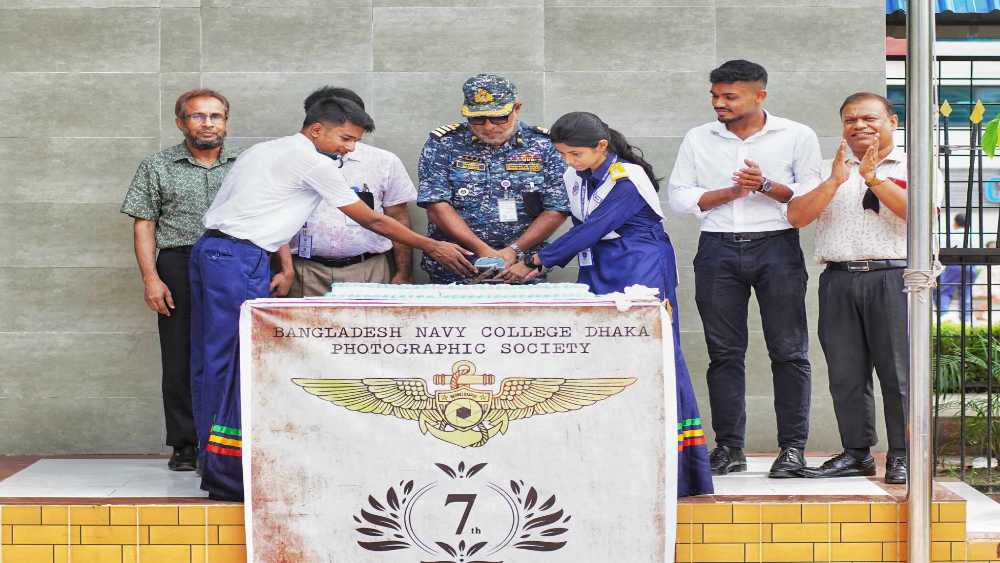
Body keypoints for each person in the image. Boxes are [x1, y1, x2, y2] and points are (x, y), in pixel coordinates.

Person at [191, 97, 474, 500]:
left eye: (355, 141)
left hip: (215, 251)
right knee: (236, 359)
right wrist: (433, 246)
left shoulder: (264, 150)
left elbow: (262, 211)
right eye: (345, 138)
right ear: (316, 129)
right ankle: (228, 468)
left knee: (212, 358)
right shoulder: (312, 162)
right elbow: (373, 219)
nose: (349, 148)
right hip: (238, 259)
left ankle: (212, 457)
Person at [507, 112, 713, 497]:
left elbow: (593, 228)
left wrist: (537, 261)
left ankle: (680, 465)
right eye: (563, 154)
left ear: (601, 147)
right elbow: (581, 229)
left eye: (575, 154)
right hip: (598, 267)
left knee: (658, 356)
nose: (569, 161)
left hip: (640, 268)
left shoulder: (628, 178)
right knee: (604, 356)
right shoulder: (575, 177)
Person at [667, 60, 822, 479]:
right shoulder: (698, 138)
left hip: (777, 248)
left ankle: (792, 449)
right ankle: (729, 448)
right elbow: (679, 197)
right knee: (724, 354)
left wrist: (766, 186)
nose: (719, 103)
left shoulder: (796, 135)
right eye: (715, 95)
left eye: (729, 96)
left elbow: (810, 195)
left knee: (789, 351)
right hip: (717, 249)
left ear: (760, 96)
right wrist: (732, 192)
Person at [787, 92, 936, 484]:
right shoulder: (826, 168)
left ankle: (904, 454)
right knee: (846, 374)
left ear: (892, 122)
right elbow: (797, 216)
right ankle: (856, 453)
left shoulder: (915, 164)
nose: (860, 126)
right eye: (850, 120)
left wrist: (874, 178)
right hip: (839, 279)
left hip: (894, 278)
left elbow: (920, 215)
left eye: (869, 118)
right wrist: (837, 180)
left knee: (898, 373)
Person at [121, 89, 239, 472]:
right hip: (178, 264)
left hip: (234, 263)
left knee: (233, 354)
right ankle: (186, 445)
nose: (208, 123)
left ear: (226, 121)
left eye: (215, 116)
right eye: (198, 116)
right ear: (180, 121)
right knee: (179, 357)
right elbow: (144, 224)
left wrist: (281, 265)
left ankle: (229, 443)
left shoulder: (245, 165)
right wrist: (151, 278)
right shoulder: (157, 166)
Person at [417, 74, 569, 283]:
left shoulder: (544, 145)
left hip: (521, 269)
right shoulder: (444, 144)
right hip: (458, 268)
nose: (488, 126)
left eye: (498, 117)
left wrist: (514, 250)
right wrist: (484, 251)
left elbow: (557, 208)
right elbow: (436, 204)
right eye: (477, 119)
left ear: (516, 108)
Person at [288, 86, 417, 294]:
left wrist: (404, 273)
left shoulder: (384, 161)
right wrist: (284, 269)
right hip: (304, 271)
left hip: (368, 270)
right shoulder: (289, 160)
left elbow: (399, 217)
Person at [939, 213, 974, 320]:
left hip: (954, 265)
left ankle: (944, 316)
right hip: (971, 265)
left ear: (955, 223)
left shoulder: (952, 235)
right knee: (966, 291)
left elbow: (942, 248)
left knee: (945, 290)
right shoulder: (974, 234)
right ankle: (966, 318)